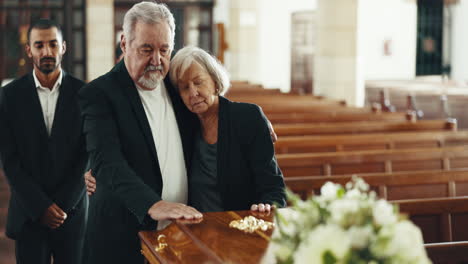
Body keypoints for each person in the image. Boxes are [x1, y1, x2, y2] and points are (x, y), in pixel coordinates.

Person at [78, 2, 202, 263]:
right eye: (147, 49)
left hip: (179, 236)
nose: (156, 60)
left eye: (164, 50)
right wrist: (153, 205)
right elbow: (107, 161)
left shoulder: (177, 85)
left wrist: (252, 120)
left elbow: (211, 101)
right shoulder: (98, 94)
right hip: (121, 240)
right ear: (124, 44)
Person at [0, 19, 87, 264]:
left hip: (72, 214)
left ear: (64, 47)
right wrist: (41, 207)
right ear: (29, 50)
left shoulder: (84, 93)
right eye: (39, 45)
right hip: (29, 215)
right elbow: (9, 160)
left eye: (52, 44)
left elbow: (85, 155)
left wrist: (62, 206)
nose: (46, 51)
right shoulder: (9, 95)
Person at [169, 46, 286, 213]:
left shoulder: (247, 118)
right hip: (197, 228)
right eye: (185, 87)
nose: (193, 93)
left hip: (240, 225)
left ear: (215, 82)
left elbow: (274, 187)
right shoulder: (184, 125)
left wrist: (266, 205)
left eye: (198, 82)